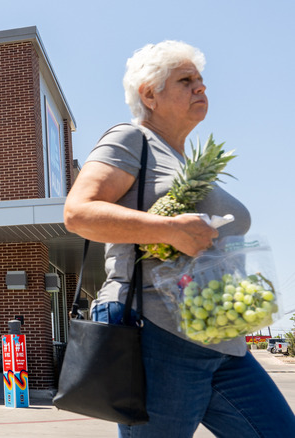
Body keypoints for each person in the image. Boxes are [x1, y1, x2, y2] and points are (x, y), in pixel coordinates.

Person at [63, 40, 295, 437]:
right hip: (159, 337)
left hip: (224, 341)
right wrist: (170, 229)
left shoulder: (186, 162)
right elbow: (78, 213)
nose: (201, 88)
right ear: (149, 94)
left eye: (201, 81)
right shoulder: (131, 140)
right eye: (186, 80)